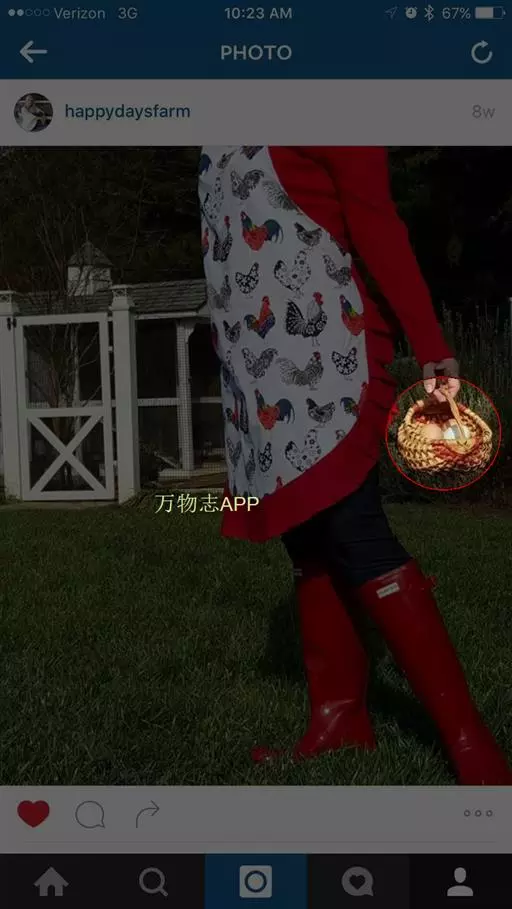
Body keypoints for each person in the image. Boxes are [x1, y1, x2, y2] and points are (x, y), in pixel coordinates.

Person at [198, 146, 512, 785]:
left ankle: (470, 744)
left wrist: (431, 343)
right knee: (308, 537)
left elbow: (375, 221)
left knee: (354, 530)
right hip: (254, 361)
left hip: (323, 347)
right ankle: (339, 722)